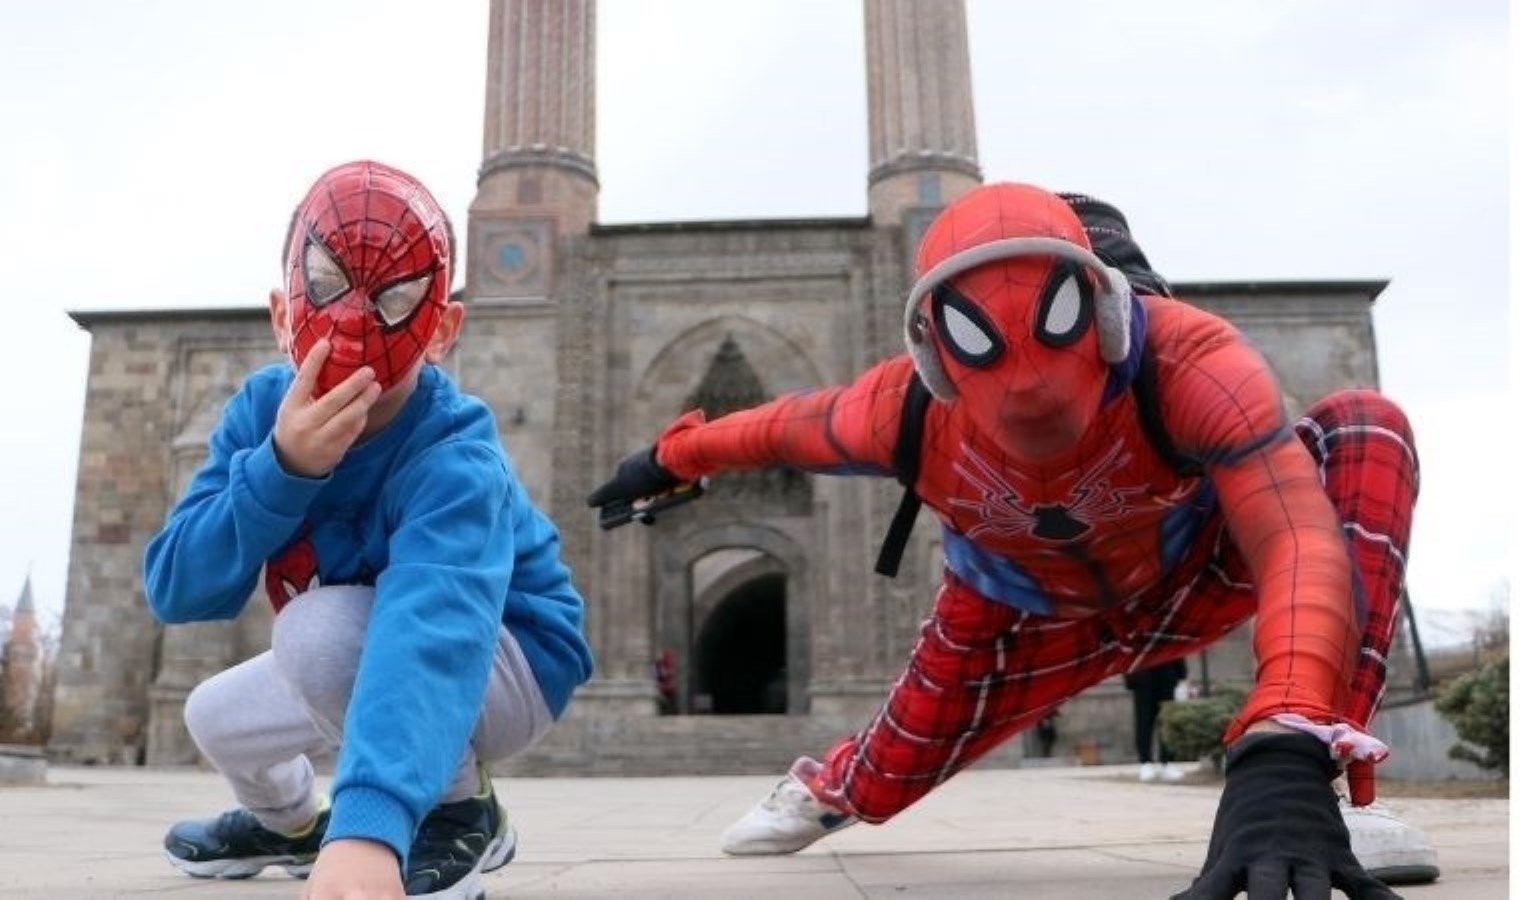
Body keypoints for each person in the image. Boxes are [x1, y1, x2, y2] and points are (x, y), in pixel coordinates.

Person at [588, 181, 1425, 898]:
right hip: (1016, 608)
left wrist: (1282, 740)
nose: (1027, 382)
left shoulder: (1192, 364)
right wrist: (664, 459)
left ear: (1103, 310)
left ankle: (1336, 787)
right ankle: (829, 786)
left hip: (1192, 569)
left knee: (1365, 432)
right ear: (937, 351)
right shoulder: (905, 409)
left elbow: (1294, 541)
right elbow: (774, 430)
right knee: (885, 771)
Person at [144, 160, 594, 900]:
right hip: (359, 644)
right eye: (323, 287)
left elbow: (433, 627)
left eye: (394, 298)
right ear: (283, 313)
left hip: (510, 659)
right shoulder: (260, 414)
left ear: (442, 327)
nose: (352, 323)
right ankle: (292, 825)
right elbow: (176, 585)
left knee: (314, 634)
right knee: (215, 713)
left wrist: (372, 827)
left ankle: (458, 809)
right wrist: (280, 469)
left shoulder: (455, 458)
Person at [1125, 658, 1188, 782]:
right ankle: (1145, 762)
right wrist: (1129, 677)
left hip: (1167, 673)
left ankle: (1167, 762)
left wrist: (1181, 674)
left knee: (1167, 719)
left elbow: (1175, 646)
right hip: (1142, 674)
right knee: (1143, 721)